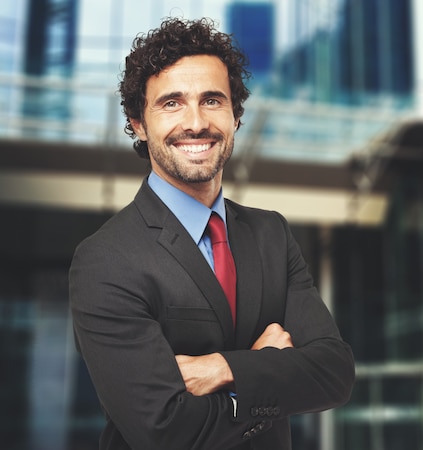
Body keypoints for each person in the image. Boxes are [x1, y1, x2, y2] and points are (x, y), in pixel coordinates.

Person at [69, 17, 355, 450]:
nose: (196, 122)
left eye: (212, 100)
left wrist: (224, 368)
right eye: (171, 103)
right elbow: (163, 430)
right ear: (139, 124)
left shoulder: (271, 234)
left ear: (236, 117)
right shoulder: (106, 258)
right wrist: (264, 369)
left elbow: (334, 373)